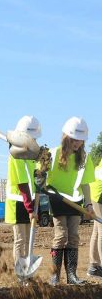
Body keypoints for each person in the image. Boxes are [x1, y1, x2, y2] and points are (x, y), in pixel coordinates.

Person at [46, 117, 95, 285]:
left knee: (73, 236)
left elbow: (85, 183)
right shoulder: (53, 153)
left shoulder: (85, 158)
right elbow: (41, 176)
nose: (78, 143)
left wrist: (88, 204)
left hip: (76, 201)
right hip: (57, 198)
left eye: (81, 140)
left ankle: (72, 276)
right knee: (60, 236)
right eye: (74, 139)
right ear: (66, 137)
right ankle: (54, 276)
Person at [4, 116, 42, 264]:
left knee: (29, 239)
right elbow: (22, 183)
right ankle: (20, 273)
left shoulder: (31, 156)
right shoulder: (15, 155)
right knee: (20, 239)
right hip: (18, 202)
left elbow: (35, 178)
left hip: (30, 201)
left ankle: (27, 270)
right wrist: (30, 208)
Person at [88, 156, 102, 278]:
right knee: (101, 230)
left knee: (97, 230)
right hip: (99, 194)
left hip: (95, 191)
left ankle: (94, 266)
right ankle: (97, 265)